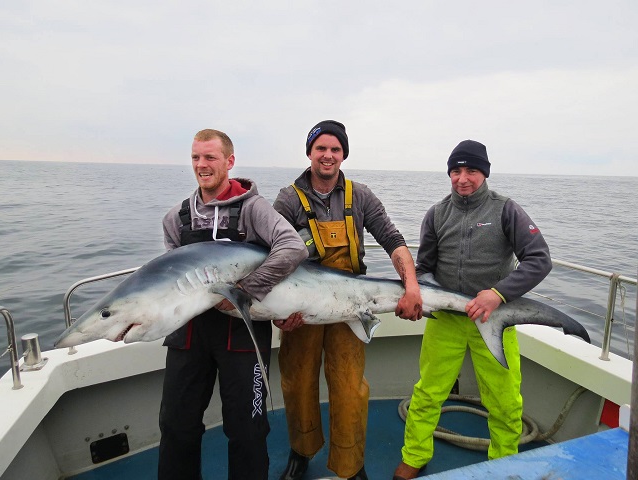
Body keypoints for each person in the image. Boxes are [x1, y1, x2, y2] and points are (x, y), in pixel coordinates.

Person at [393, 140, 553, 479]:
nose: (463, 178)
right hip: (446, 322)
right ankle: (415, 455)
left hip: (493, 321)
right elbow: (423, 267)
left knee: (505, 402)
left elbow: (539, 259)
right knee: (427, 393)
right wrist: (427, 292)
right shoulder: (437, 213)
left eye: (471, 171)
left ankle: (504, 463)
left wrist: (497, 294)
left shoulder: (506, 209)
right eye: (456, 171)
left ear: (485, 173)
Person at [272, 120, 423, 480]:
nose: (327, 155)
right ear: (309, 152)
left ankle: (351, 464)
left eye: (335, 149)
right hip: (301, 308)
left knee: (350, 387)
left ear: (343, 154)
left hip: (351, 305)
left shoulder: (361, 196)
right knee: (297, 381)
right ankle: (301, 450)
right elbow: (270, 256)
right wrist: (277, 314)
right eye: (320, 148)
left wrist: (412, 286)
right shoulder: (288, 199)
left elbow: (391, 238)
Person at [158, 129, 308, 480]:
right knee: (176, 426)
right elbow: (168, 279)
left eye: (210, 157)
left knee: (248, 431)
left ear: (230, 161)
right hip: (189, 334)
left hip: (242, 333)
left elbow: (292, 248)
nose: (202, 165)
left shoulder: (254, 209)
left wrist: (245, 291)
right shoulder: (175, 219)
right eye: (196, 157)